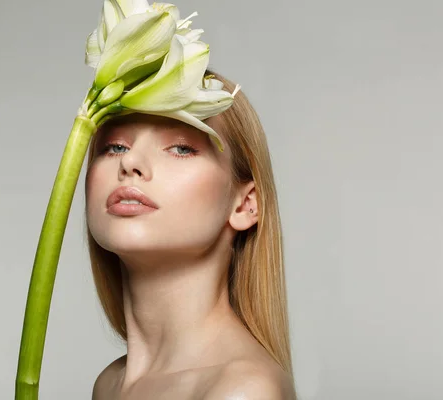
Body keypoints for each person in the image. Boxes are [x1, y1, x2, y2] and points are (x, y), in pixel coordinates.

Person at [84, 69, 296, 399]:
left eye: (181, 148)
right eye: (114, 146)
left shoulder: (242, 391)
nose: (130, 162)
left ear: (245, 205)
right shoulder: (109, 384)